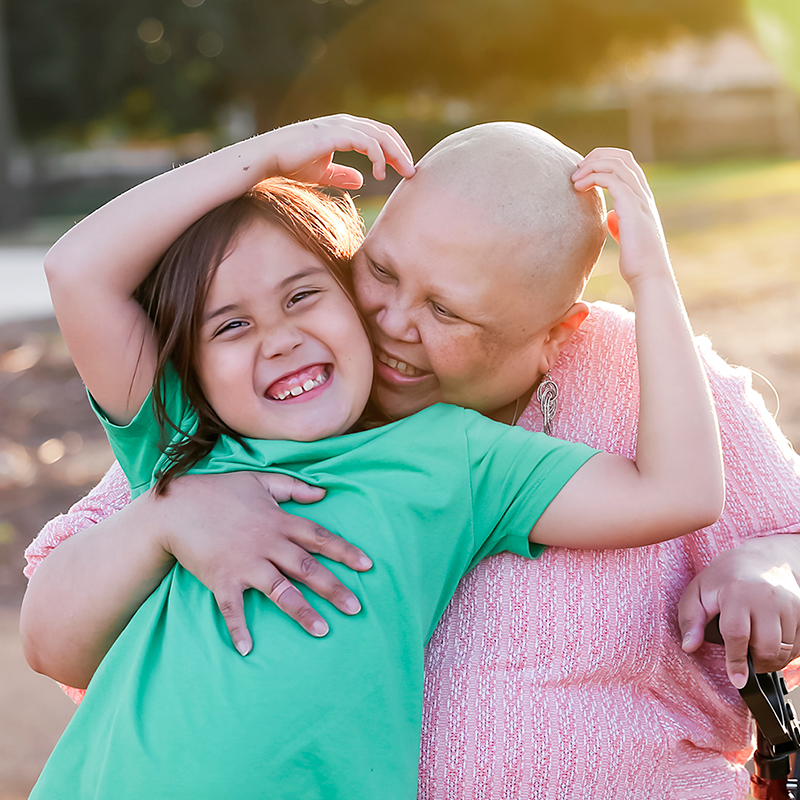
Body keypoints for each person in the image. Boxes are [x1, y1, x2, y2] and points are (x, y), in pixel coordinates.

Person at [22, 119, 800, 798]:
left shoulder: (453, 457)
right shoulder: (196, 428)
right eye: (380, 272)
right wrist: (265, 156)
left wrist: (655, 277)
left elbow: (681, 490)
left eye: (446, 310)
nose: (390, 322)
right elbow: (78, 271)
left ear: (555, 331)